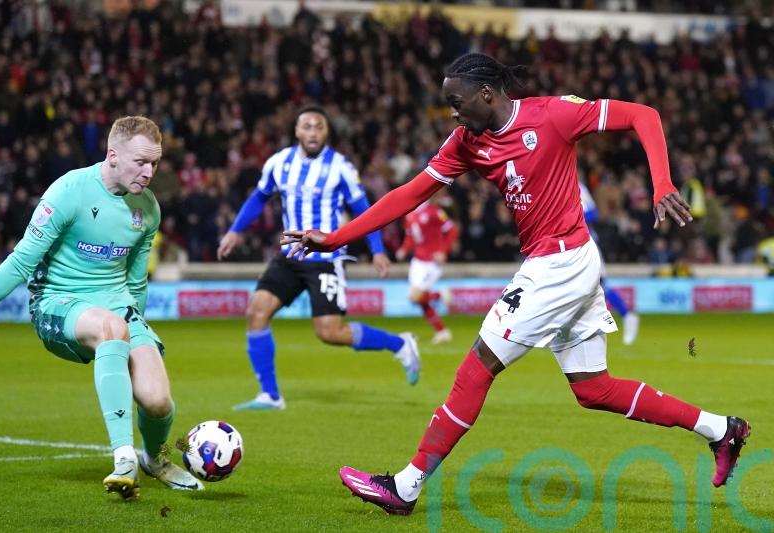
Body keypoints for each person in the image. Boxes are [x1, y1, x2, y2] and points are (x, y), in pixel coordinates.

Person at [282, 53, 750, 515]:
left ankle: (405, 487)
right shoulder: (467, 140)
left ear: (487, 94)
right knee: (594, 389)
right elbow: (411, 192)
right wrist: (338, 238)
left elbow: (643, 115)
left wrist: (661, 182)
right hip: (565, 261)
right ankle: (720, 429)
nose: (452, 112)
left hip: (558, 265)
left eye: (457, 101)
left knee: (478, 365)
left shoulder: (554, 114)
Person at [0, 116, 203, 500]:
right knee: (110, 327)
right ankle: (123, 456)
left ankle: (155, 459)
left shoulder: (147, 208)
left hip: (119, 307)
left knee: (157, 401)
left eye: (155, 163)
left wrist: (140, 337)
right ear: (113, 155)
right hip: (58, 304)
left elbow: (135, 283)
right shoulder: (69, 191)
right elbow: (21, 261)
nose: (149, 173)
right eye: (140, 162)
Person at [218, 105, 420, 412]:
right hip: (289, 255)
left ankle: (401, 344)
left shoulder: (340, 167)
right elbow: (259, 197)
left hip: (325, 257)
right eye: (307, 127)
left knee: (329, 332)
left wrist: (377, 249)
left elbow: (364, 210)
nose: (313, 132)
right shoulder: (279, 163)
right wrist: (235, 231)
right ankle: (270, 395)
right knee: (256, 312)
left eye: (318, 127)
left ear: (326, 132)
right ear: (297, 131)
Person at [579, 180, 640, 345]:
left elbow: (592, 213)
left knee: (600, 284)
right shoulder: (549, 184)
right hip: (562, 247)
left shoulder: (576, 185)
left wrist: (570, 219)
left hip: (585, 243)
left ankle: (627, 315)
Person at [395, 196, 458, 344]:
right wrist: (404, 249)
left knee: (415, 297)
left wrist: (443, 251)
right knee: (420, 300)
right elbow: (411, 237)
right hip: (417, 261)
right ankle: (442, 331)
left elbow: (452, 230)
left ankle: (440, 295)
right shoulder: (409, 214)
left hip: (432, 262)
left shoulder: (434, 212)